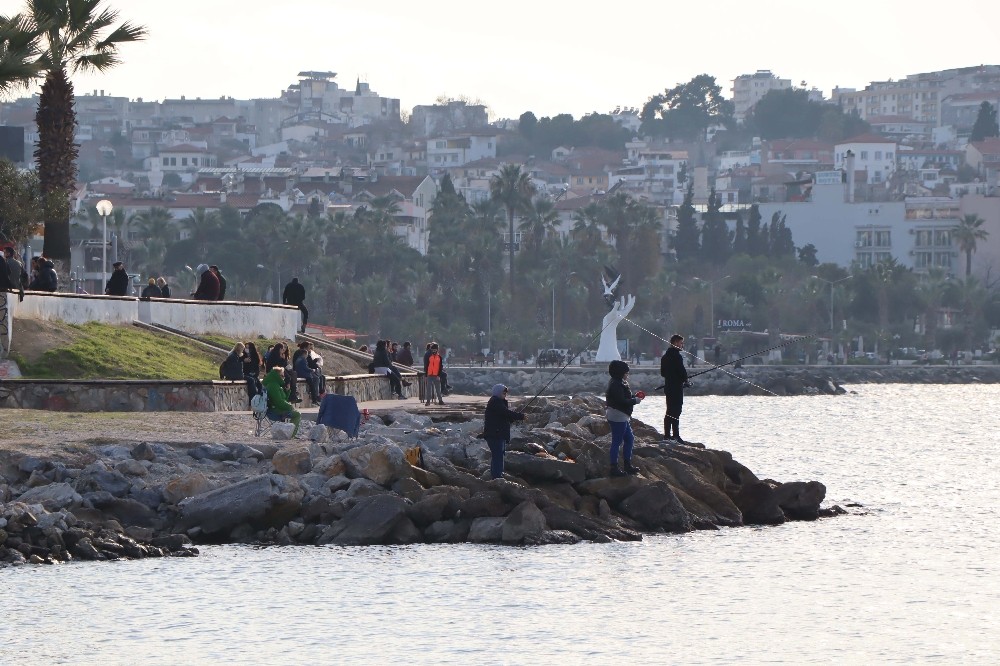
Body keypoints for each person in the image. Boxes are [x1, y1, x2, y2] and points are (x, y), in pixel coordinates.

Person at [605, 360, 644, 476]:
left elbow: (624, 396)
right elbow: (621, 401)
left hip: (622, 415)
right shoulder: (616, 384)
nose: (627, 375)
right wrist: (635, 401)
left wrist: (633, 396)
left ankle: (627, 465)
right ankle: (614, 468)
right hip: (617, 415)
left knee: (629, 439)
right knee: (617, 441)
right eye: (626, 373)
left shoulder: (619, 382)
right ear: (620, 373)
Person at [483, 384, 525, 480]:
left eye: (506, 393)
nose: (505, 394)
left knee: (498, 455)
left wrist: (512, 419)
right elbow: (505, 413)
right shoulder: (495, 402)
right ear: (498, 392)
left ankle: (497, 475)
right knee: (498, 456)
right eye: (503, 392)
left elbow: (503, 416)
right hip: (495, 434)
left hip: (498, 434)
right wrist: (520, 416)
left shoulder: (499, 402)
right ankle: (497, 477)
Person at [660, 334, 690, 444]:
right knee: (676, 412)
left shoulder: (665, 357)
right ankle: (676, 436)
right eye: (681, 343)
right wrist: (686, 381)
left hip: (668, 387)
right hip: (676, 388)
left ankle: (667, 435)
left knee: (669, 411)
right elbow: (682, 372)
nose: (682, 345)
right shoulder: (677, 356)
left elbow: (663, 373)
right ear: (676, 343)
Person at [262, 366, 301, 438]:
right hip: (275, 412)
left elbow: (284, 399)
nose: (284, 378)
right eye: (282, 376)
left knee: (294, 412)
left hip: (276, 409)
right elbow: (279, 402)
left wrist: (287, 391)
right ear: (277, 376)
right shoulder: (273, 386)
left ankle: (289, 433)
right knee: (297, 415)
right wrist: (290, 407)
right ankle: (291, 435)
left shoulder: (275, 385)